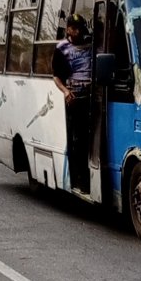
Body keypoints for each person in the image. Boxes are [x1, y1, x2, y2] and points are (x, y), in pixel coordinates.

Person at [52, 13, 92, 193]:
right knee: (78, 140)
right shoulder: (62, 48)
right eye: (74, 28)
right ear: (68, 29)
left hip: (94, 95)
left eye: (80, 28)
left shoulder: (91, 44)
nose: (77, 31)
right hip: (76, 97)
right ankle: (80, 180)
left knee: (91, 139)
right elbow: (56, 76)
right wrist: (66, 91)